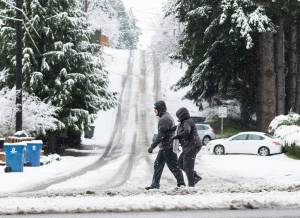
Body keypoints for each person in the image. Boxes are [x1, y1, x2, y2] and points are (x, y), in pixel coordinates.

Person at [146, 100, 185, 190]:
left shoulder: (164, 119)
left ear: (160, 109)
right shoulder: (166, 117)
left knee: (174, 167)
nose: (155, 111)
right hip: (165, 146)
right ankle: (155, 185)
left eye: (156, 109)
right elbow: (168, 131)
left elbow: (161, 136)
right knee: (157, 164)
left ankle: (182, 185)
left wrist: (152, 146)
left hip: (168, 147)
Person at [172, 107, 202, 187]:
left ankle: (191, 185)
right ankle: (195, 177)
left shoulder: (187, 122)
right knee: (180, 163)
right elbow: (180, 128)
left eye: (178, 116)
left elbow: (186, 132)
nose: (178, 118)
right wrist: (172, 129)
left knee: (188, 166)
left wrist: (177, 136)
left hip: (193, 145)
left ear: (182, 115)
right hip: (188, 146)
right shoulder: (183, 122)